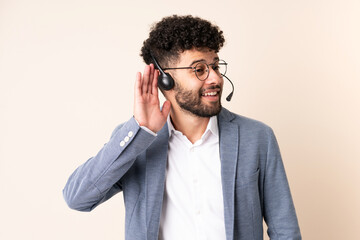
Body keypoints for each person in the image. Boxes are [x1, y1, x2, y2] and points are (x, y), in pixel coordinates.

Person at [63, 15, 301, 240]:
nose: (215, 79)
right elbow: (78, 198)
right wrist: (140, 130)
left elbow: (285, 231)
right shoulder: (137, 142)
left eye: (215, 66)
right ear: (165, 79)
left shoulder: (258, 137)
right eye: (199, 69)